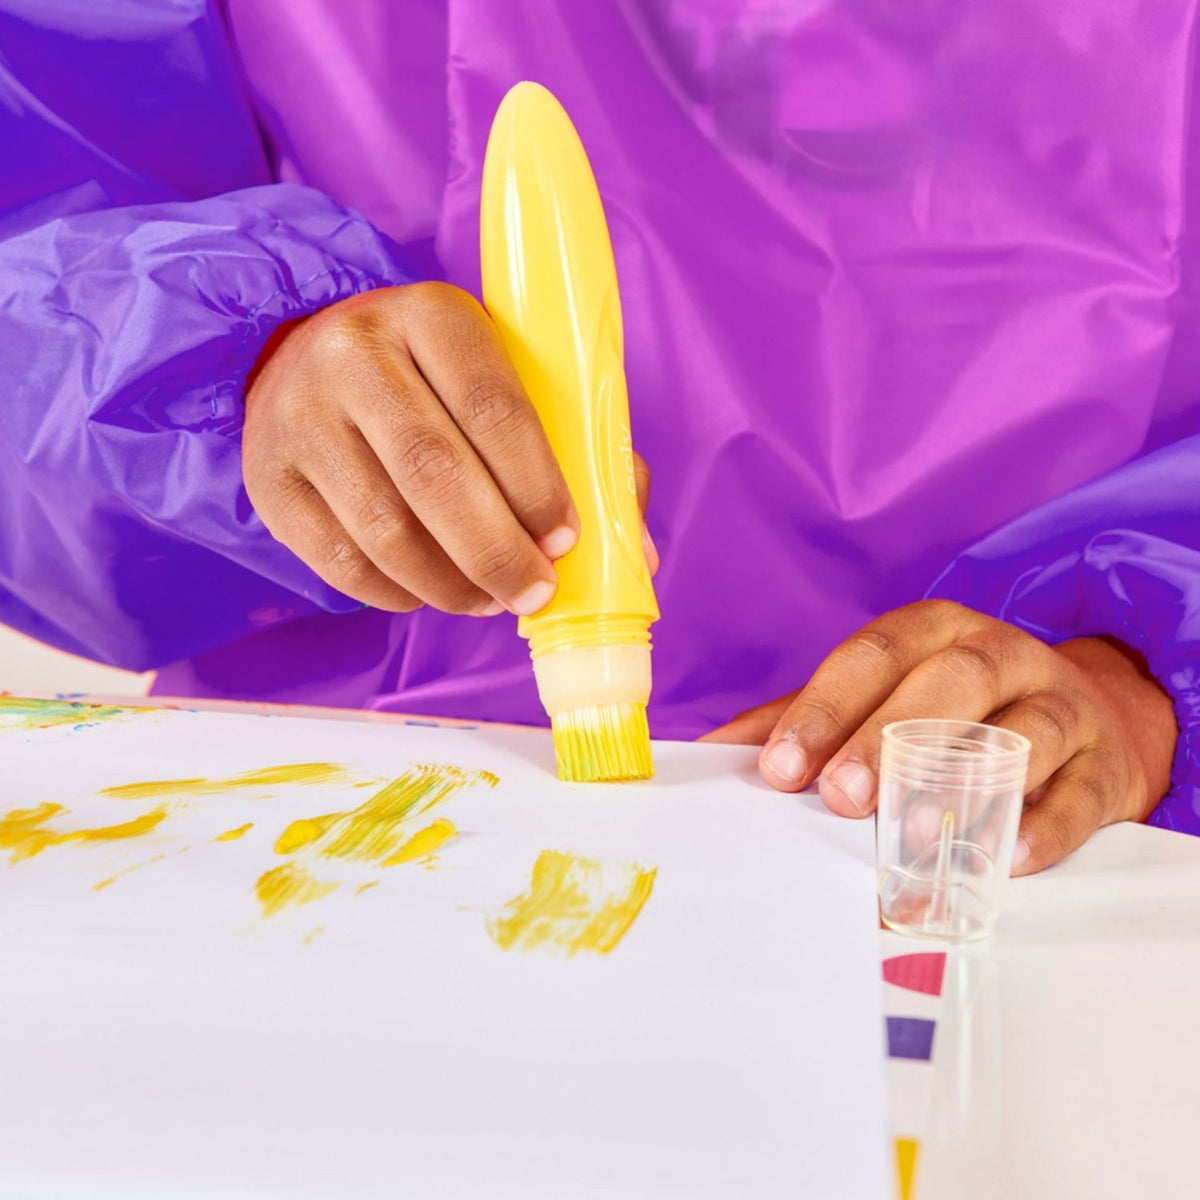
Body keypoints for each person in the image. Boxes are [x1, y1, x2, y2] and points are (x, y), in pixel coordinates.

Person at [1, 1, 1195, 873]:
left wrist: (1144, 685)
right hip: (356, 842)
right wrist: (233, 380)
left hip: (1027, 859)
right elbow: (31, 280)